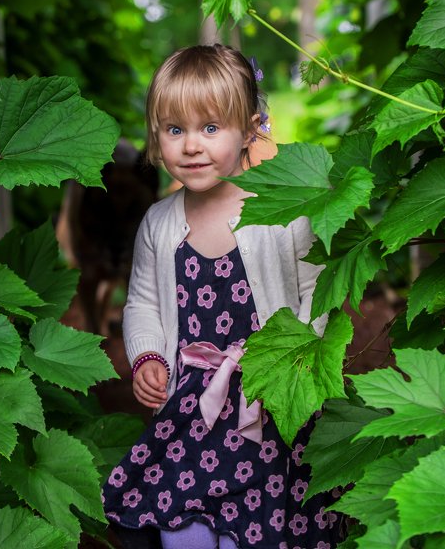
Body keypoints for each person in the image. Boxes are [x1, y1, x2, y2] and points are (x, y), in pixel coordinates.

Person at [103, 45, 345, 549]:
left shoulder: (282, 213)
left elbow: (317, 292)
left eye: (210, 128)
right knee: (180, 526)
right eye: (175, 129)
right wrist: (147, 356)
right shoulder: (159, 223)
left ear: (250, 130)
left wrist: (296, 368)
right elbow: (143, 302)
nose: (192, 145)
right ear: (156, 135)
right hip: (191, 410)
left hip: (265, 406)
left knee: (255, 532)